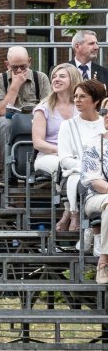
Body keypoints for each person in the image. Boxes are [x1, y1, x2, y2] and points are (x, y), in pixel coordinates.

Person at [32, 64, 78, 231]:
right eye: (54, 77)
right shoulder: (43, 108)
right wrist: (62, 151)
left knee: (76, 166)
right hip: (48, 155)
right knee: (63, 165)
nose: (56, 79)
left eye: (62, 76)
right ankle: (72, 213)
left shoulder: (80, 108)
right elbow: (38, 142)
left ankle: (69, 213)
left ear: (73, 79)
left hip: (75, 156)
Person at [76, 79, 108, 284]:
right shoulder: (94, 144)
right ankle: (104, 261)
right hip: (96, 197)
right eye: (107, 116)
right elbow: (94, 181)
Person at [0, 45, 51, 152]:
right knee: (7, 124)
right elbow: (3, 111)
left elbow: (48, 107)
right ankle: (8, 165)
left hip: (35, 116)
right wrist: (15, 86)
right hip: (6, 118)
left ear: (29, 62)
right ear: (7, 64)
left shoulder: (41, 78)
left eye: (23, 66)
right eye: (14, 67)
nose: (19, 71)